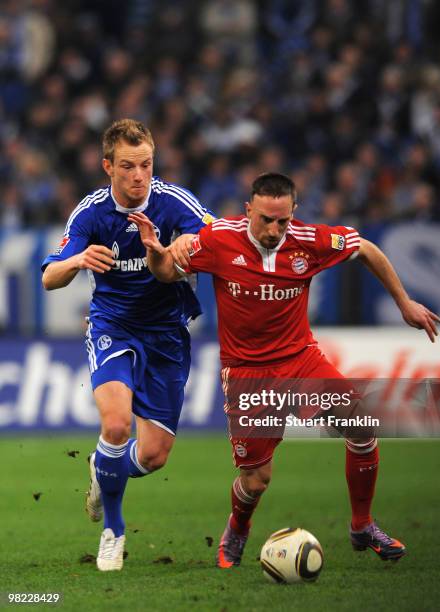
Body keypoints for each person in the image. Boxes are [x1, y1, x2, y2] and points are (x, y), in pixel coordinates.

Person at [128, 172, 440, 567]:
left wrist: (404, 303)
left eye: (283, 221)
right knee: (256, 480)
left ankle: (362, 526)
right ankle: (238, 528)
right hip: (247, 373)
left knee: (362, 426)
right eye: (265, 220)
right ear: (249, 211)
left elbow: (367, 249)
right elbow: (166, 271)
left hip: (300, 360)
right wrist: (157, 251)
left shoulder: (311, 241)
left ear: (294, 212)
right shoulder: (218, 238)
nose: (274, 230)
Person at [41, 118, 214, 571]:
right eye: (128, 166)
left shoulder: (173, 201)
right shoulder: (91, 213)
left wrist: (191, 245)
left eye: (146, 165)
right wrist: (78, 259)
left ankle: (103, 470)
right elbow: (48, 277)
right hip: (112, 327)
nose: (140, 176)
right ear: (107, 167)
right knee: (117, 426)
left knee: (153, 456)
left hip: (167, 335)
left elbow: (214, 238)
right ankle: (113, 532)